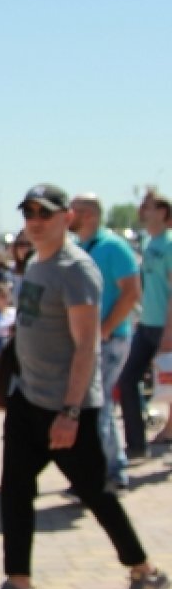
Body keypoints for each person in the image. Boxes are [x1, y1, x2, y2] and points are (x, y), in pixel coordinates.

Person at [0, 184, 167, 589]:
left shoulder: (76, 269)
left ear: (67, 218)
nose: (35, 220)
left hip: (66, 406)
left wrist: (71, 412)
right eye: (28, 212)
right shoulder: (37, 263)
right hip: (30, 400)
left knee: (96, 493)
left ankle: (144, 571)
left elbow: (86, 346)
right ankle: (19, 583)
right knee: (15, 491)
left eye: (45, 212)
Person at [69, 193, 140, 489]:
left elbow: (132, 292)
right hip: (87, 340)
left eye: (74, 211)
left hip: (109, 340)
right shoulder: (78, 248)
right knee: (90, 407)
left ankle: (110, 471)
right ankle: (100, 469)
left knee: (99, 407)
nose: (68, 216)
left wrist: (106, 328)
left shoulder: (114, 247)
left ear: (90, 215)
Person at [118, 194, 172, 460]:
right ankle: (137, 444)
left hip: (166, 327)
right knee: (127, 380)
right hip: (147, 325)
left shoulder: (170, 244)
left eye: (148, 207)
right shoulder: (150, 244)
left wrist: (169, 331)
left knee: (168, 385)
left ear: (163, 212)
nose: (142, 210)